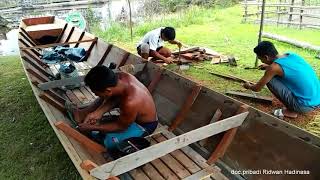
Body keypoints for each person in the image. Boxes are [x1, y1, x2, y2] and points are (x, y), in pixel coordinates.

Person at [73, 65, 158, 149]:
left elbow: (120, 127)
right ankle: (84, 113)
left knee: (108, 142)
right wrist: (98, 113)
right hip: (131, 114)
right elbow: (116, 97)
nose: (96, 95)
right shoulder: (122, 77)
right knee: (102, 105)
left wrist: (91, 128)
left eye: (96, 93)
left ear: (108, 90)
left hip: (144, 125)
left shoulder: (130, 102)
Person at [243, 41, 320, 119]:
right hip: (316, 98)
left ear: (266, 57)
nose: (261, 61)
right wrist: (268, 65)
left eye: (261, 59)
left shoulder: (273, 68)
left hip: (304, 106)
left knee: (270, 80)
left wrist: (248, 86)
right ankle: (295, 105)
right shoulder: (291, 55)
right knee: (276, 76)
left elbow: (257, 88)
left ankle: (291, 111)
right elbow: (284, 68)